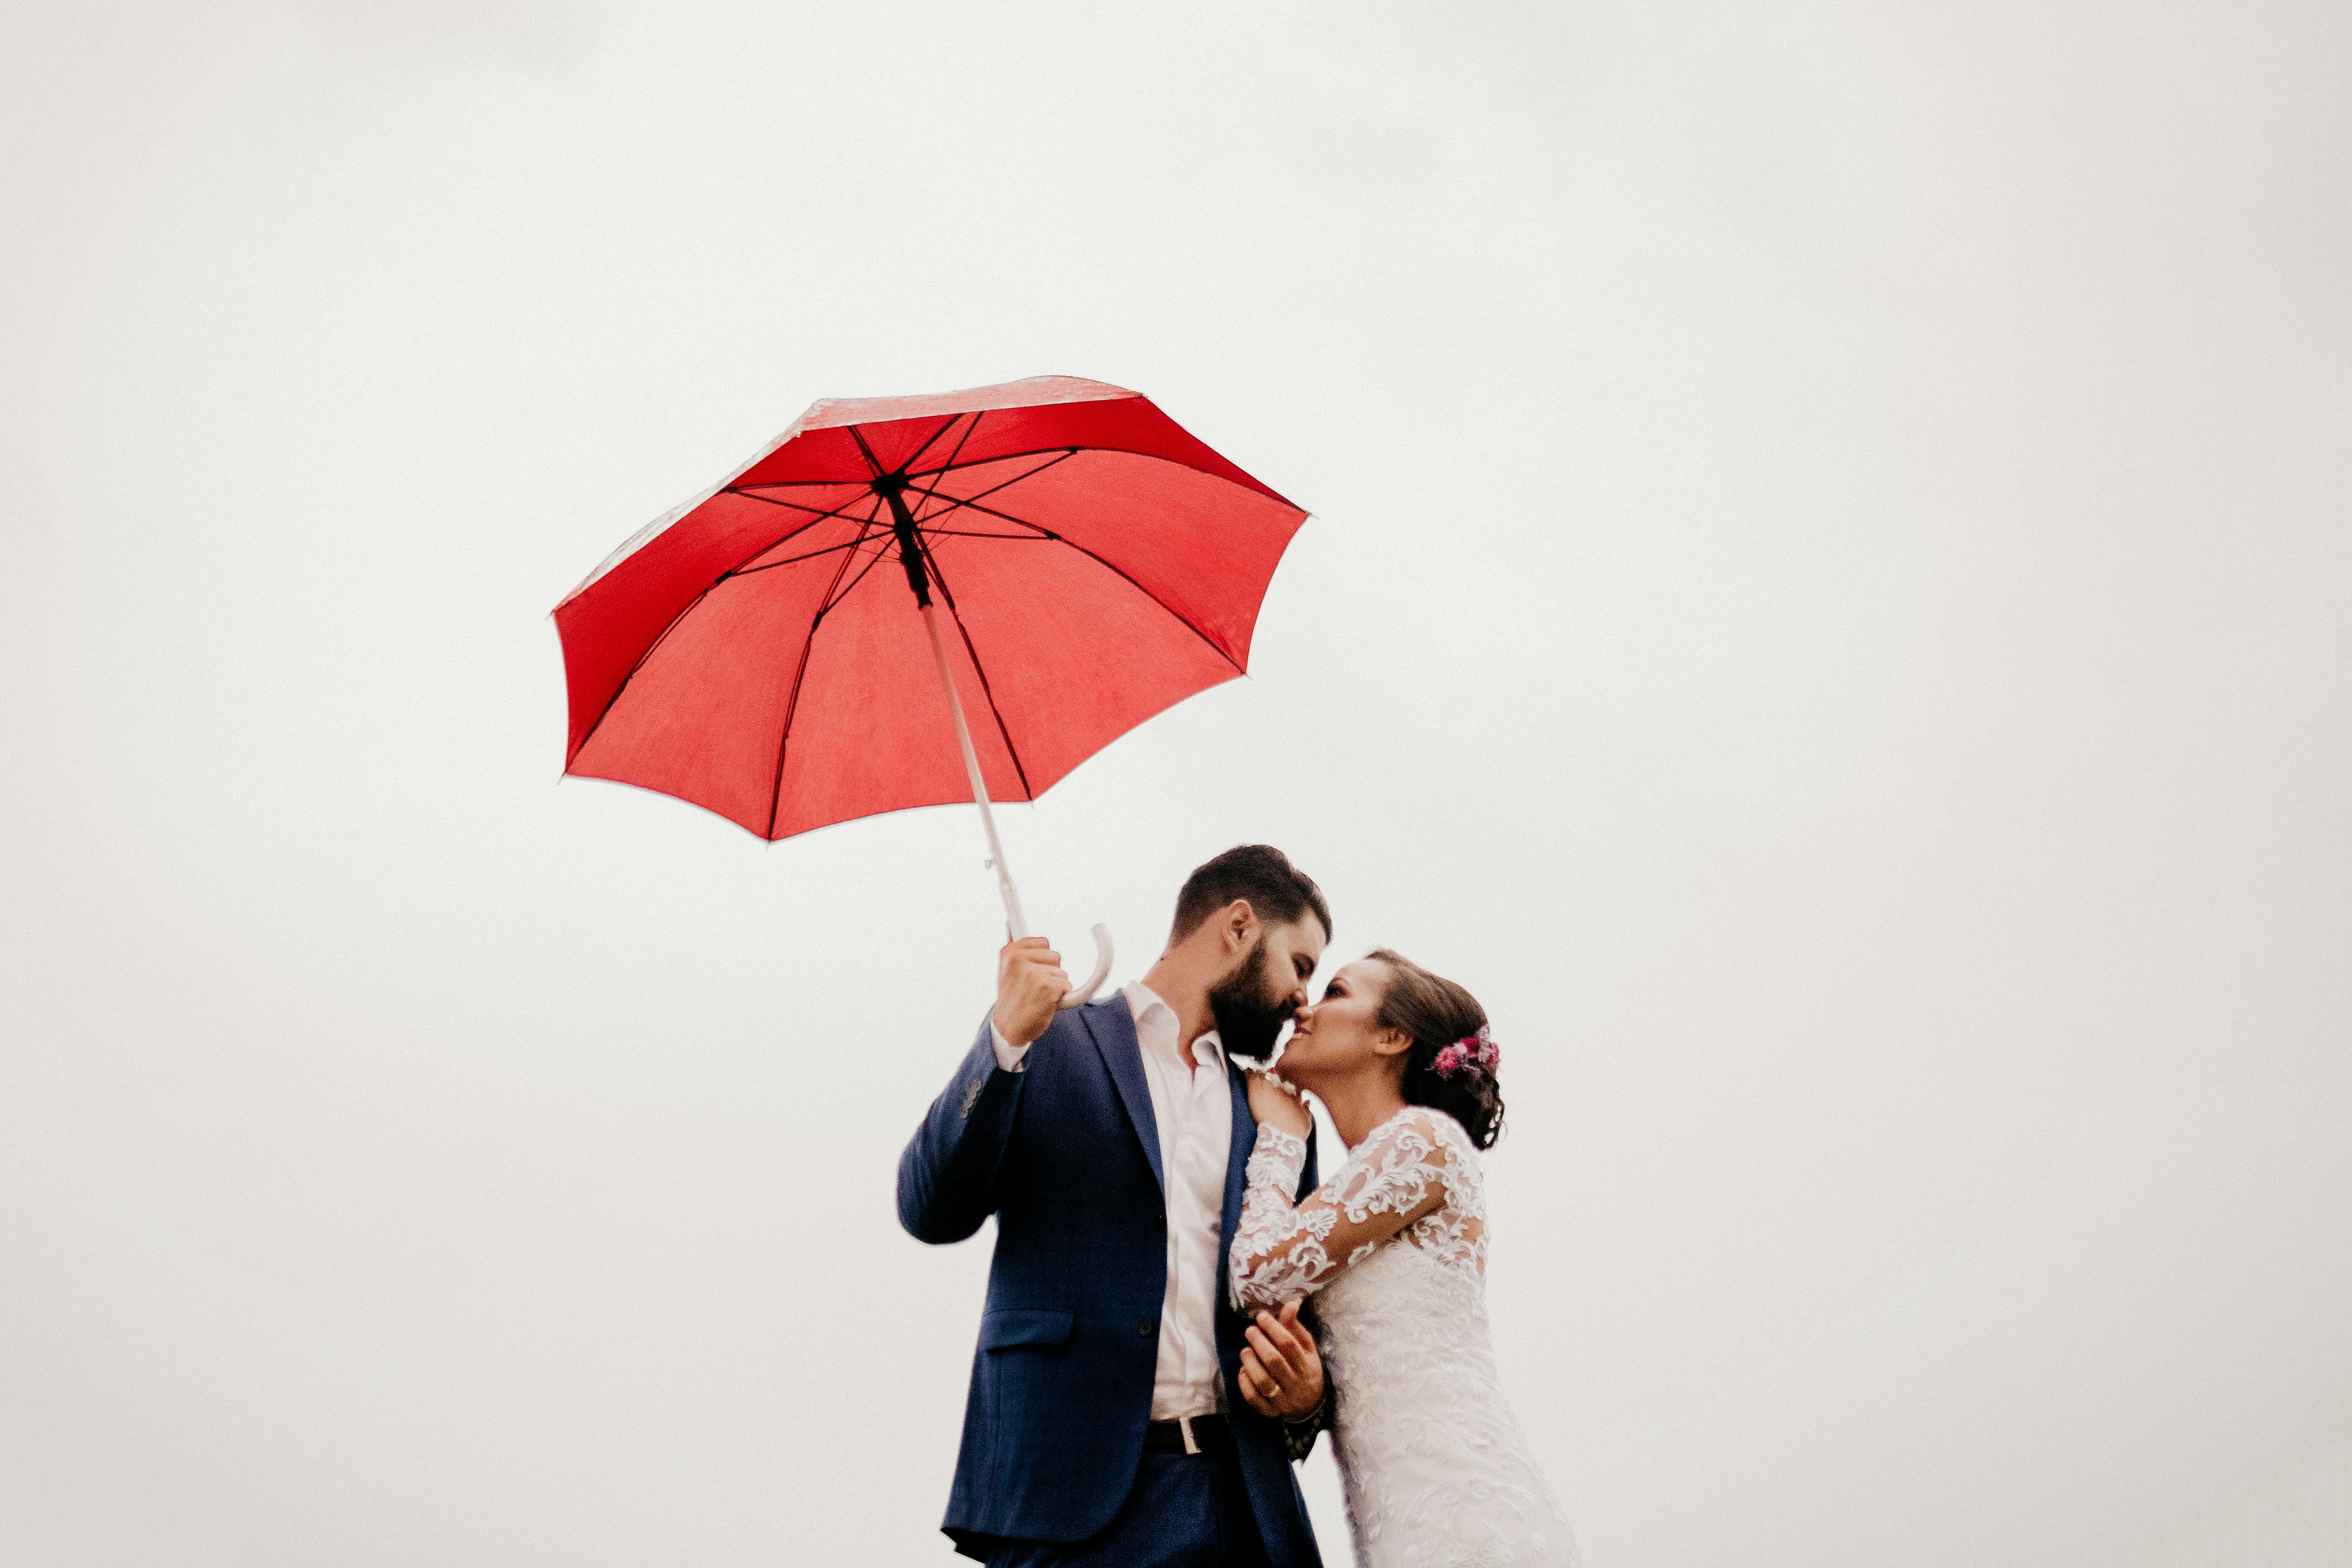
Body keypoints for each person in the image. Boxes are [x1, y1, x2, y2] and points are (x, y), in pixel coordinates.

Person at [898, 845, 1338, 1568]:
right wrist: (1006, 1038)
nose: (1303, 1000)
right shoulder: (1051, 1038)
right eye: (1301, 964)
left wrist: (1305, 1393)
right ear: (1238, 925)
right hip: (1075, 1506)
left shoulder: (1275, 1114)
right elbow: (929, 1209)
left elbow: (1305, 1315)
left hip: (1244, 1507)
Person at [1231, 949, 1577, 1568]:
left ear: (1393, 1037)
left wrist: (1282, 1140)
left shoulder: (1426, 1141)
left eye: (1335, 991)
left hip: (1461, 1514)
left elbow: (1256, 1276)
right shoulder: (1365, 1186)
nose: (1304, 1007)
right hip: (1401, 1519)